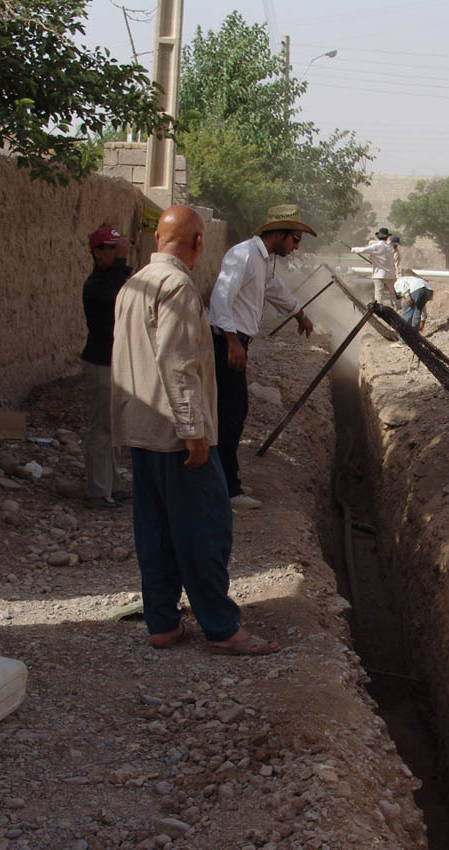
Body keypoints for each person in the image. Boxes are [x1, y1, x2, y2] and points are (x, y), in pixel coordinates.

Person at [111, 205, 276, 655]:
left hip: (141, 430)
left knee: (156, 531)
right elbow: (176, 362)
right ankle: (222, 628)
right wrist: (194, 430)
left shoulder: (134, 284)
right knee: (204, 529)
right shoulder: (178, 287)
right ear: (199, 242)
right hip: (175, 435)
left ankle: (163, 623)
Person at [208, 204, 316, 510]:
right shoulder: (243, 255)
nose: (296, 247)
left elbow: (275, 289)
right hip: (225, 343)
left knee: (232, 412)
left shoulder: (263, 261)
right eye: (295, 240)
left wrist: (299, 315)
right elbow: (220, 299)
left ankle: (223, 480)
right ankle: (226, 489)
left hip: (236, 341)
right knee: (230, 414)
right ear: (279, 234)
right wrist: (232, 341)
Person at [80, 225, 133, 509]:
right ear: (98, 253)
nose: (115, 254)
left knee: (114, 429)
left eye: (117, 248)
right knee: (101, 429)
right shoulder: (96, 285)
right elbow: (112, 293)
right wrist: (123, 262)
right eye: (110, 249)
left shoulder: (111, 280)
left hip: (114, 362)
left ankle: (112, 485)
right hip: (100, 363)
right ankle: (98, 491)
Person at [352, 227, 397, 306]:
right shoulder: (390, 248)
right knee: (393, 293)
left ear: (378, 237)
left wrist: (353, 249)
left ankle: (378, 308)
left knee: (379, 294)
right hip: (390, 273)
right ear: (387, 237)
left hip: (379, 274)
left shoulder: (376, 247)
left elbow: (363, 250)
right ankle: (398, 307)